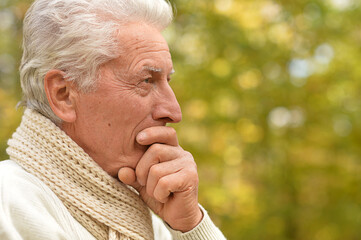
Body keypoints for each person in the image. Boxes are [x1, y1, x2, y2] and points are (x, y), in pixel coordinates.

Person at [0, 0, 226, 239]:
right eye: (146, 81)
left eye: (167, 81)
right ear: (63, 94)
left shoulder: (149, 221)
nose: (173, 112)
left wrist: (190, 226)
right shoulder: (9, 203)